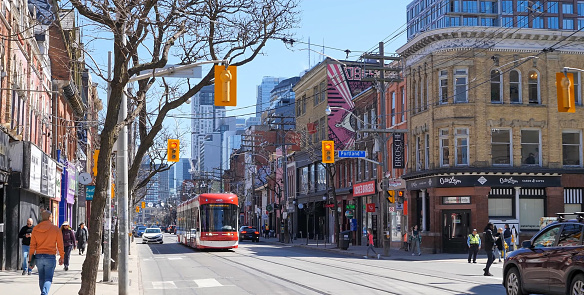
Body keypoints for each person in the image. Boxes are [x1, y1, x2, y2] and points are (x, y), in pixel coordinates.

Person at [29, 210, 64, 295]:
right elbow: (60, 244)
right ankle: (44, 293)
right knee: (48, 278)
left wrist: (30, 260)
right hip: (50, 256)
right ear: (49, 217)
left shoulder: (35, 229)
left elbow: (32, 246)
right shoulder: (56, 229)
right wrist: (62, 256)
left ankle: (43, 293)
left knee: (41, 278)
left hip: (38, 257)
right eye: (51, 217)